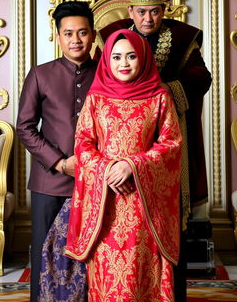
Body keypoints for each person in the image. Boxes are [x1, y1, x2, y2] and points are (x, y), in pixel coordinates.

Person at [99, 0, 212, 301]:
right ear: (131, 11)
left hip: (169, 134)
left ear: (164, 10)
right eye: (142, 11)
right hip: (123, 141)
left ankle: (169, 293)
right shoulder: (114, 38)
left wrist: (161, 90)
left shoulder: (182, 37)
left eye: (156, 11)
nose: (149, 18)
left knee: (169, 219)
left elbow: (200, 78)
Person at [65, 29, 182, 301]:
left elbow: (171, 143)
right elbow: (83, 143)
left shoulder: (159, 98)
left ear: (143, 58)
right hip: (105, 205)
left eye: (131, 56)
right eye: (116, 57)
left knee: (143, 273)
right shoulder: (96, 99)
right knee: (108, 278)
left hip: (145, 205)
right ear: (107, 60)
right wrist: (106, 169)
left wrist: (132, 164)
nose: (124, 63)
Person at [16, 1, 97, 302]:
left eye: (83, 32)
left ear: (93, 34)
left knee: (92, 257)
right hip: (49, 183)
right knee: (44, 258)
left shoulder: (107, 74)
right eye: (68, 33)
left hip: (95, 183)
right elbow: (24, 127)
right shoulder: (40, 74)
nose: (76, 39)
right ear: (58, 36)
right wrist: (60, 163)